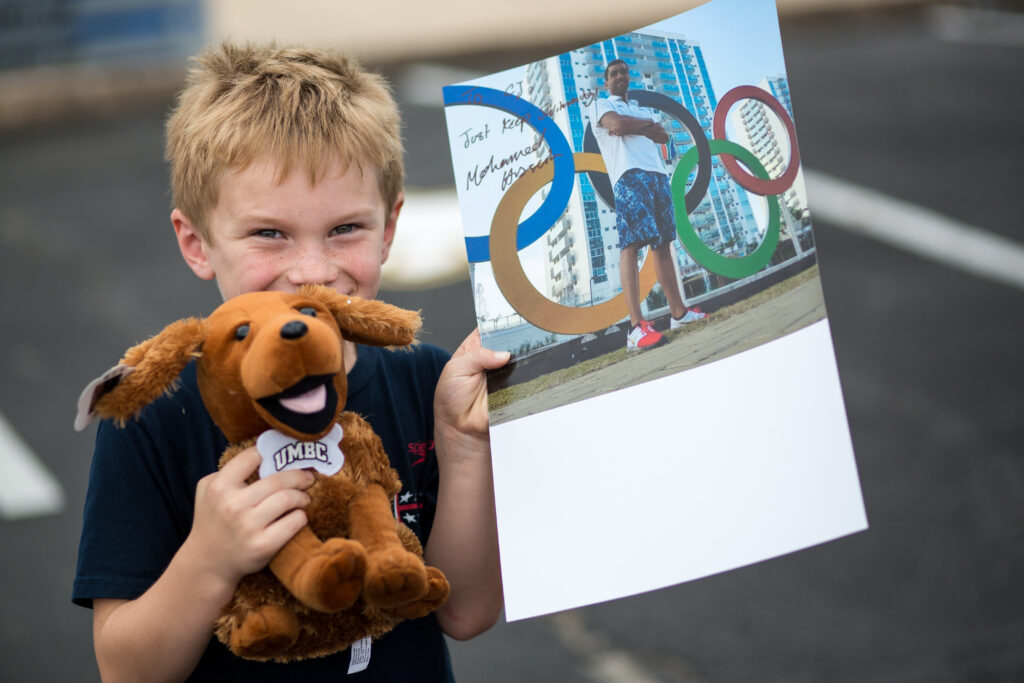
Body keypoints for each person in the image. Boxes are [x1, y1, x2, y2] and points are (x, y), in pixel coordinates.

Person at [72, 43, 508, 682]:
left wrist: (464, 447)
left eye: (345, 230)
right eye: (269, 233)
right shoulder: (153, 415)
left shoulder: (429, 382)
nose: (311, 272)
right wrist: (210, 559)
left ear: (388, 229)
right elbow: (125, 671)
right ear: (197, 242)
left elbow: (466, 614)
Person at [593, 59, 706, 352]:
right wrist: (645, 127)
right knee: (631, 245)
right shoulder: (600, 104)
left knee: (664, 243)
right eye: (614, 73)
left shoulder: (642, 109)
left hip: (657, 175)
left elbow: (663, 135)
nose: (620, 76)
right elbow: (616, 126)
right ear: (606, 82)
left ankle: (678, 314)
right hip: (628, 175)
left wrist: (640, 125)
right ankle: (635, 328)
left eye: (624, 72)